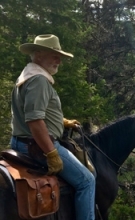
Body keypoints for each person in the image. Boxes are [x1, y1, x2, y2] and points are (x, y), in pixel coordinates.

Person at [10, 34, 95, 220]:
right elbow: (34, 121)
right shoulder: (38, 80)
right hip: (37, 145)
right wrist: (51, 153)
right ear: (38, 54)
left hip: (21, 141)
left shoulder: (27, 75)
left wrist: (61, 121)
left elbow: (34, 112)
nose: (59, 61)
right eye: (54, 55)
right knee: (87, 181)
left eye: (59, 56)